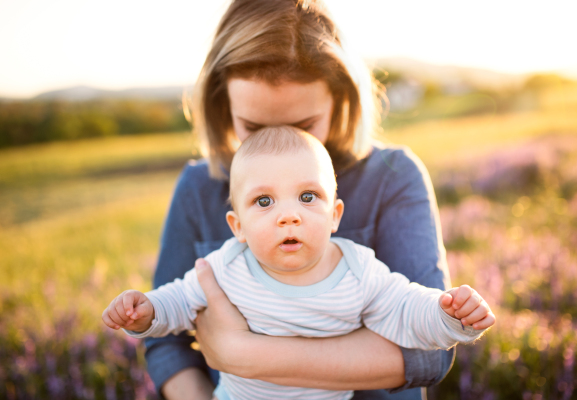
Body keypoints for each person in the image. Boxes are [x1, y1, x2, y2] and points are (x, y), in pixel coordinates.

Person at [144, 0, 459, 399]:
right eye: (254, 128)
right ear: (223, 106)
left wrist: (243, 354)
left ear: (341, 99)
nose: (281, 146)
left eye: (304, 126)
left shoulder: (393, 177)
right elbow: (165, 343)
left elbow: (429, 354)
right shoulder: (197, 187)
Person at [103, 127, 495, 400]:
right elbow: (179, 299)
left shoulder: (358, 270)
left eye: (308, 197)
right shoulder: (227, 265)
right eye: (264, 201)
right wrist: (148, 311)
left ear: (335, 215)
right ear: (237, 227)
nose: (288, 216)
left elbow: (407, 310)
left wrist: (448, 315)